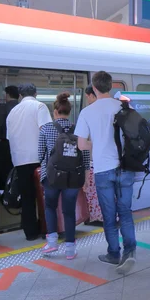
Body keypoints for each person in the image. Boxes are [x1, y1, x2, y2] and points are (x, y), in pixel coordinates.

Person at [75, 71, 137, 274]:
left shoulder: (87, 112)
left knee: (109, 215)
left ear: (94, 88)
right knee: (125, 212)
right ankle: (130, 253)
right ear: (111, 86)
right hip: (126, 168)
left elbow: (82, 144)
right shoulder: (124, 106)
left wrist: (99, 144)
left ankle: (113, 254)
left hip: (102, 170)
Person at [39, 93, 91, 260]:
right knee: (69, 211)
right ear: (69, 111)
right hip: (73, 177)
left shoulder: (46, 128)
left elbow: (40, 154)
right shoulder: (79, 129)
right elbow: (85, 156)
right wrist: (86, 176)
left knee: (50, 207)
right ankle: (70, 249)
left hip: (52, 176)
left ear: (55, 112)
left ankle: (52, 243)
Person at [6, 83, 52, 241]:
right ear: (36, 93)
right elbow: (47, 131)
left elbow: (8, 137)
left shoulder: (12, 112)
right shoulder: (39, 107)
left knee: (27, 197)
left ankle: (30, 232)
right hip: (38, 158)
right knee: (44, 196)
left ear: (20, 95)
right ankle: (47, 228)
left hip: (19, 160)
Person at [0, 85, 19, 191]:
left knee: (3, 167)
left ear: (7, 95)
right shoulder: (21, 107)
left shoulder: (3, 107)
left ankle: (3, 190)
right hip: (19, 143)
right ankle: (14, 189)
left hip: (4, 143)